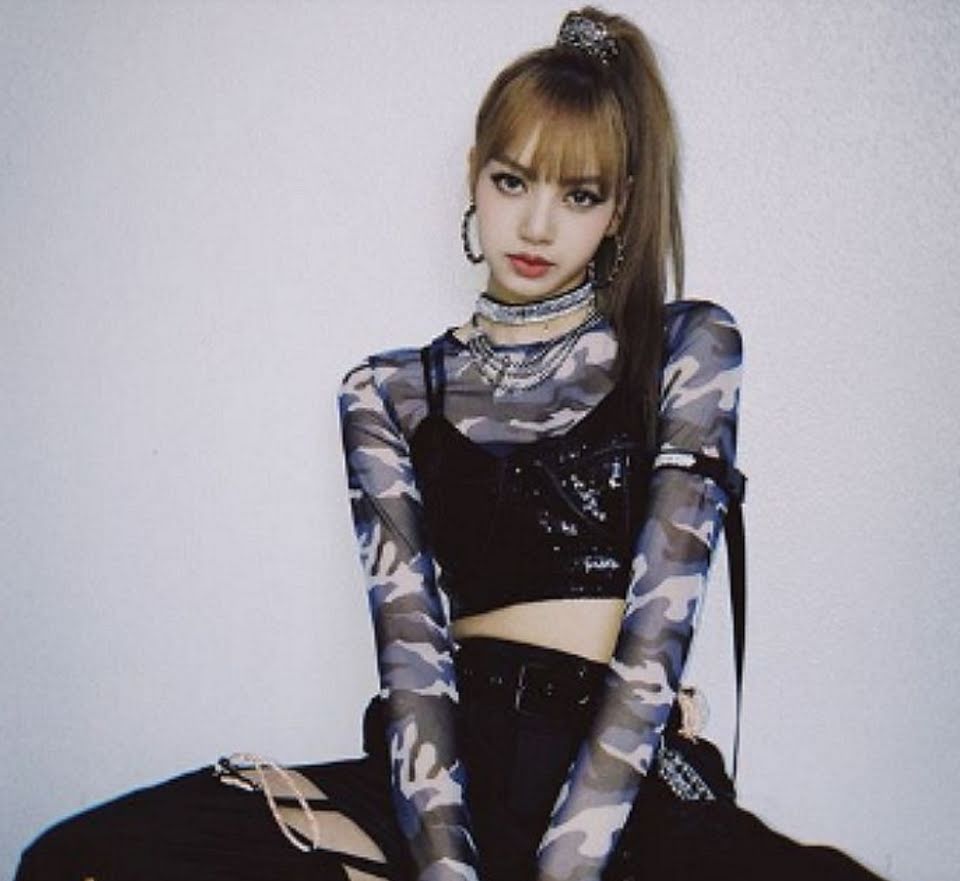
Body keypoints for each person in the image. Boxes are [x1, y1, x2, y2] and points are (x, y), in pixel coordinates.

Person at [16, 8, 888, 881]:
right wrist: (446, 870)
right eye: (514, 181)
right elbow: (413, 665)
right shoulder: (388, 390)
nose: (537, 225)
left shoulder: (689, 348)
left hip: (623, 779)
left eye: (579, 195)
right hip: (447, 780)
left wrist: (566, 865)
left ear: (619, 207)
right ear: (475, 176)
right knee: (83, 860)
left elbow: (658, 636)